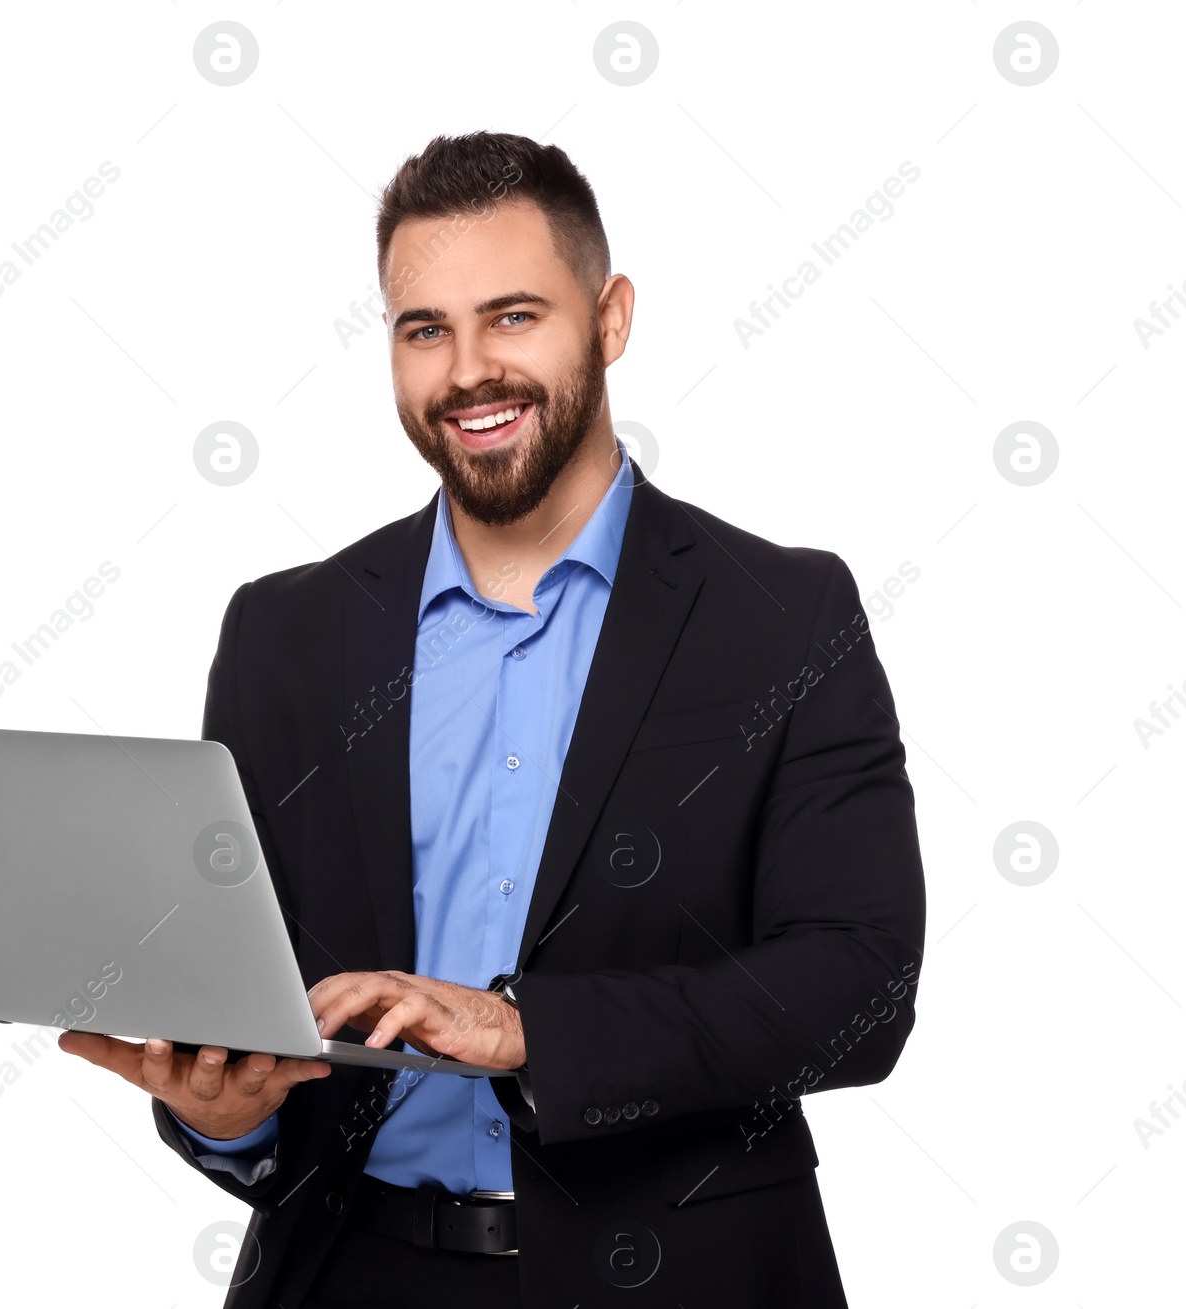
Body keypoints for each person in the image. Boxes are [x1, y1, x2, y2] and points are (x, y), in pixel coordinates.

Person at [60, 131, 926, 1309]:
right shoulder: (287, 633)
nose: (467, 371)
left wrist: (526, 1029)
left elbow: (857, 989)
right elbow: (242, 983)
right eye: (425, 329)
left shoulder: (781, 614)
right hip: (347, 1275)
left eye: (513, 317)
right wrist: (221, 1116)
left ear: (609, 319)